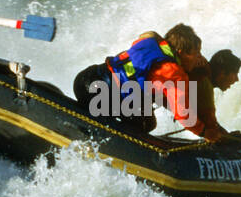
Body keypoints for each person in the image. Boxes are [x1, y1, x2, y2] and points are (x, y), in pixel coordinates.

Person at [74, 23, 211, 138]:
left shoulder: (150, 41)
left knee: (143, 111)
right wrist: (205, 132)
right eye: (196, 53)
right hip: (99, 96)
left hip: (84, 80)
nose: (199, 58)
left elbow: (148, 34)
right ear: (181, 52)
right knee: (147, 124)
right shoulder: (174, 72)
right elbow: (182, 114)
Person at [197, 48, 241, 144]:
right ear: (222, 73)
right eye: (235, 74)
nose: (237, 79)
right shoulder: (205, 85)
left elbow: (206, 120)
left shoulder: (202, 77)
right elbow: (209, 125)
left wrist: (226, 134)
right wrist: (237, 140)